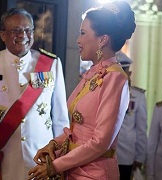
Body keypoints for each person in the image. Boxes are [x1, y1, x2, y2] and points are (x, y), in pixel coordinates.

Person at [28, 1, 136, 179]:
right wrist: (54, 144)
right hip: (74, 169)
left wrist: (54, 166)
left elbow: (101, 143)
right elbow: (77, 129)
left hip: (95, 174)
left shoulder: (115, 78)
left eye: (83, 33)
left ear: (102, 40)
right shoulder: (92, 73)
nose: (78, 40)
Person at [0, 8, 69, 180]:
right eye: (16, 30)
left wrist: (58, 153)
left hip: (40, 155)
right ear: (2, 35)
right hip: (2, 154)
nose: (23, 34)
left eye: (28, 30)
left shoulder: (51, 64)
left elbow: (60, 117)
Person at [115, 52, 147, 180]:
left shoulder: (137, 96)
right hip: (103, 153)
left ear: (129, 74)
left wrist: (140, 157)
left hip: (125, 154)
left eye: (124, 71)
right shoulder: (101, 92)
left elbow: (141, 129)